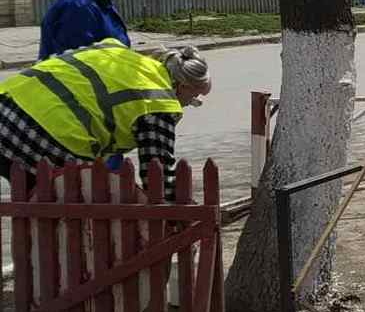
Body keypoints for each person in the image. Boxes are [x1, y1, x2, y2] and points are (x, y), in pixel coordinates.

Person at [0, 39, 210, 200]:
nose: (186, 105)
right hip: (46, 139)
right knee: (62, 219)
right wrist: (177, 216)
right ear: (182, 86)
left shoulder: (115, 50)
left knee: (29, 205)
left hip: (6, 106)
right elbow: (158, 174)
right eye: (192, 100)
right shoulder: (159, 100)